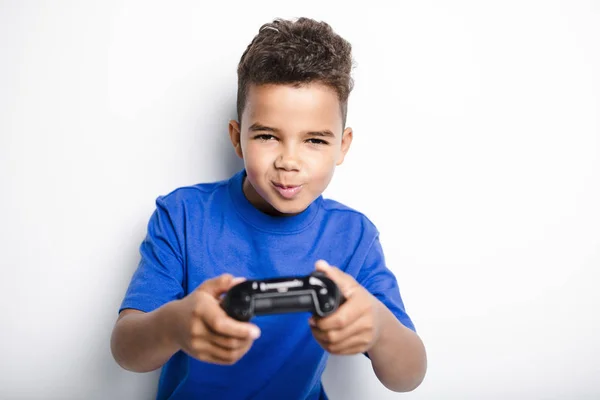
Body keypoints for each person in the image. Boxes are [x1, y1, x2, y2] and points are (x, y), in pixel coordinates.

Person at [110, 16, 427, 400]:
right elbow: (126, 350)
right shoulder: (183, 216)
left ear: (343, 146)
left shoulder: (354, 236)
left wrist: (378, 327)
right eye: (267, 136)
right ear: (237, 138)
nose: (289, 162)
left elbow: (409, 375)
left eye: (314, 140)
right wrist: (175, 325)